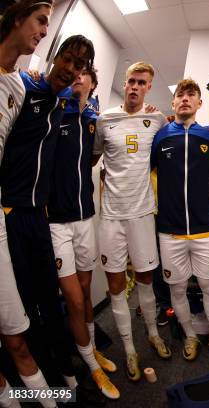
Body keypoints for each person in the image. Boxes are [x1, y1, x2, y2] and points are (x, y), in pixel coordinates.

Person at [0, 33, 94, 403]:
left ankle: (66, 376)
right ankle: (39, 384)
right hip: (10, 214)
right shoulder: (25, 90)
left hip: (40, 217)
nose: (70, 70)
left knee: (50, 301)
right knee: (24, 310)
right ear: (54, 58)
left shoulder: (65, 105)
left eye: (79, 66)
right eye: (67, 60)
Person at [93, 62, 171, 382]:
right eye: (131, 82)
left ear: (148, 87)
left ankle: (153, 332)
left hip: (141, 215)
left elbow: (169, 149)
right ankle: (129, 349)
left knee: (146, 281)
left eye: (142, 83)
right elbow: (94, 158)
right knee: (115, 287)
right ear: (124, 84)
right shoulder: (104, 119)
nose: (135, 87)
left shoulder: (156, 119)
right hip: (111, 216)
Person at [47, 67, 119, 400]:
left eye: (83, 74)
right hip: (55, 222)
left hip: (84, 217)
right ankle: (90, 364)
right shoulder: (54, 108)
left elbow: (91, 160)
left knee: (87, 290)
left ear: (92, 82)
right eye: (72, 73)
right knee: (74, 300)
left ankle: (91, 350)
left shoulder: (93, 119)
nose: (77, 78)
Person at [151, 78, 209, 363]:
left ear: (199, 103)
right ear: (173, 103)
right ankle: (190, 336)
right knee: (178, 288)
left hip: (205, 228)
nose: (185, 99)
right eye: (180, 95)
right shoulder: (159, 136)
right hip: (169, 230)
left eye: (191, 95)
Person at [0, 1, 56, 406]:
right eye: (40, 20)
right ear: (16, 16)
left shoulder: (20, 85)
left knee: (16, 335)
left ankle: (52, 400)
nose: (43, 31)